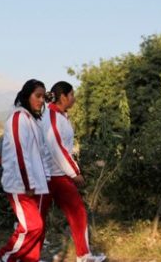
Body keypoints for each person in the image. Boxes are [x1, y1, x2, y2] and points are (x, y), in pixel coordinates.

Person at [40, 81, 106, 262]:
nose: (74, 98)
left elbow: (64, 148)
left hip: (59, 174)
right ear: (63, 97)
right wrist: (75, 172)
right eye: (72, 95)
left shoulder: (61, 116)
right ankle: (24, 256)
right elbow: (57, 148)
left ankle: (84, 255)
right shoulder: (52, 116)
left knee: (77, 212)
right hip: (49, 175)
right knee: (37, 220)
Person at [0, 79, 50, 262]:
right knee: (33, 226)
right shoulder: (18, 118)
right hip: (20, 185)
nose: (41, 100)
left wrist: (45, 179)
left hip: (35, 184)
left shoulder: (32, 120)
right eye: (38, 96)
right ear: (26, 95)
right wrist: (28, 183)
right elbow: (19, 153)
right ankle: (6, 256)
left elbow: (39, 154)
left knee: (38, 226)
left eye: (44, 96)